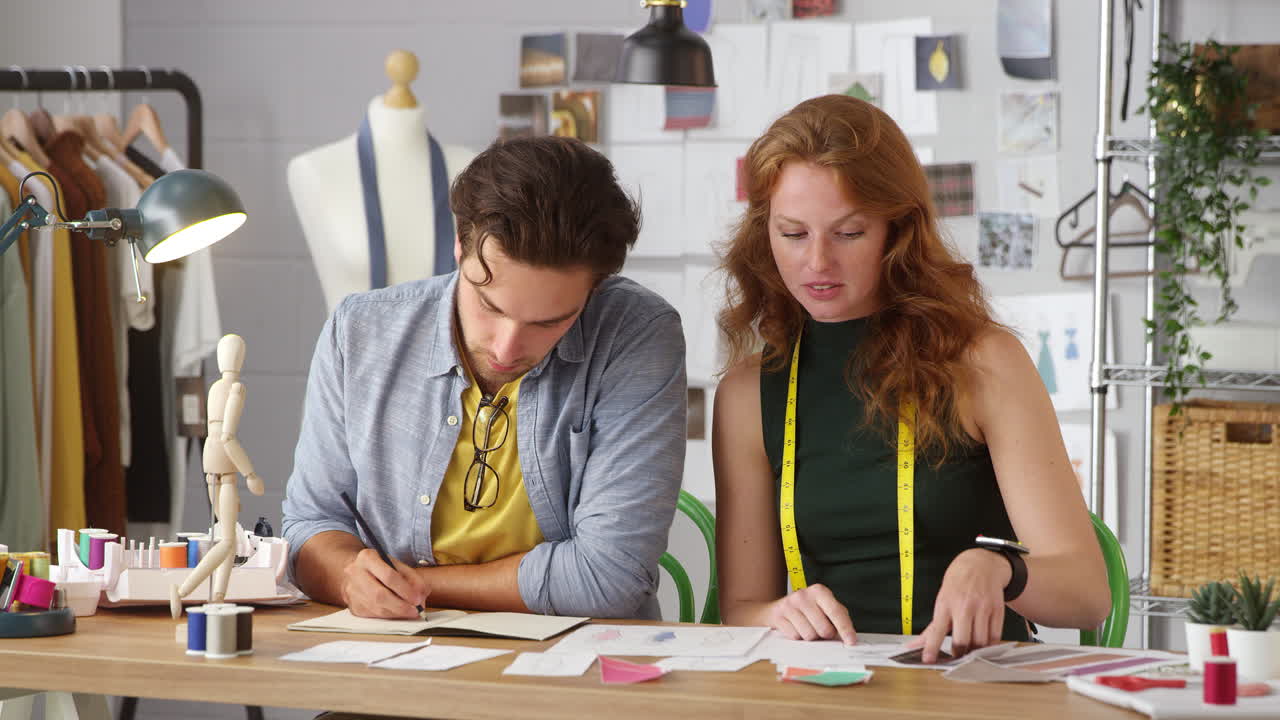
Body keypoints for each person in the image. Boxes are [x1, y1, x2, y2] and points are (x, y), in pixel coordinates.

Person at [712, 95, 1110, 663]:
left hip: (972, 684)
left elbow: (1088, 596)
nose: (817, 262)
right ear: (764, 234)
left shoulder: (984, 363)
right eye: (793, 234)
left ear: (898, 231)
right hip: (827, 688)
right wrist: (776, 614)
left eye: (849, 233)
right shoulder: (747, 393)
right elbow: (742, 608)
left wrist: (1001, 569)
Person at [282, 136, 686, 621]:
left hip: (578, 657)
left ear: (596, 289)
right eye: (489, 306)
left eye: (549, 322)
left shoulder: (637, 333)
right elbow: (311, 525)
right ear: (460, 243)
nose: (506, 348)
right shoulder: (359, 331)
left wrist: (414, 587)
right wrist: (349, 578)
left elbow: (609, 577)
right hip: (389, 652)